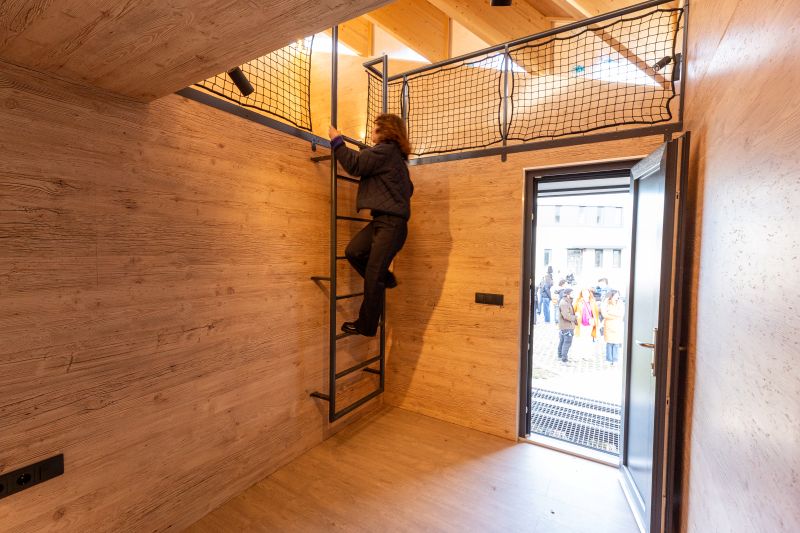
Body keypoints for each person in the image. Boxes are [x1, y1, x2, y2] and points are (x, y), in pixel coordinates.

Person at [329, 114, 413, 337]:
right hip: (382, 222)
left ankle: (366, 325)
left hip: (391, 225)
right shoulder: (394, 157)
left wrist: (336, 139)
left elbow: (355, 164)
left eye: (375, 128)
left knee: (373, 276)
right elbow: (409, 188)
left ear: (385, 131)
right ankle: (385, 278)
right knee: (354, 251)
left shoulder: (386, 151)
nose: (372, 132)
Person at [601, 290, 624, 365]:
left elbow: (621, 314)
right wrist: (615, 316)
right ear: (611, 295)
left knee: (616, 343)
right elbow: (604, 314)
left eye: (618, 295)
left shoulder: (620, 303)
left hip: (617, 325)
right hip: (609, 325)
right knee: (609, 343)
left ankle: (615, 359)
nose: (617, 297)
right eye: (616, 295)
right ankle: (609, 360)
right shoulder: (606, 302)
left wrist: (610, 312)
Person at [557, 288, 577, 363]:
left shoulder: (567, 301)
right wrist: (575, 317)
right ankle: (564, 358)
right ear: (568, 294)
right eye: (572, 293)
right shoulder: (564, 303)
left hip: (566, 326)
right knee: (567, 342)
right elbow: (566, 316)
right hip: (567, 326)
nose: (574, 294)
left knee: (562, 341)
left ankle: (560, 356)